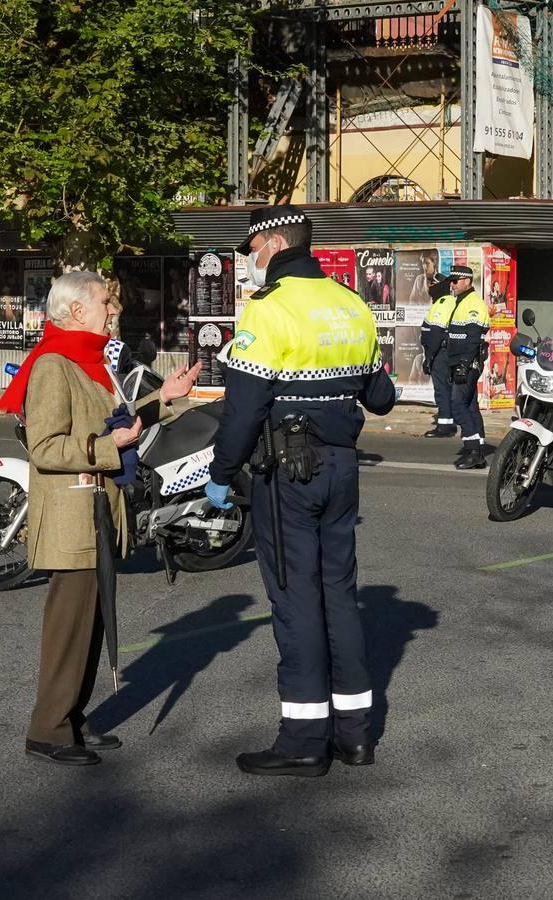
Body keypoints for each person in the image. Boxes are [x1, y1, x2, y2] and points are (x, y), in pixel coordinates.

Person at [204, 204, 396, 777]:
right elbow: (381, 397)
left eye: (252, 252)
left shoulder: (268, 308)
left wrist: (221, 470)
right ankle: (355, 736)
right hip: (342, 468)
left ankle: (304, 741)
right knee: (338, 594)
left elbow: (244, 407)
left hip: (287, 473)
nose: (250, 264)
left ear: (272, 243)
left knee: (294, 599)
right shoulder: (351, 304)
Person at [0, 271, 200, 767]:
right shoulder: (53, 364)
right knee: (70, 626)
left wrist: (163, 399)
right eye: (106, 303)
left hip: (95, 511)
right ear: (77, 311)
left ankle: (72, 716)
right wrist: (111, 447)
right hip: (71, 513)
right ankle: (48, 729)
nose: (114, 310)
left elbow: (118, 420)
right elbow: (45, 447)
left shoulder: (85, 359)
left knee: (91, 622)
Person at [446, 264, 490, 470]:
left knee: (457, 404)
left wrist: (464, 364)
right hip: (459, 362)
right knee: (470, 405)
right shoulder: (461, 301)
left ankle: (473, 450)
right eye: (451, 281)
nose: (452, 285)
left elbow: (473, 338)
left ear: (467, 281)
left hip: (467, 363)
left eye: (455, 281)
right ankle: (479, 448)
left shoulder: (474, 303)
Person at [419, 274, 458, 438]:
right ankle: (449, 421)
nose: (429, 286)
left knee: (441, 389)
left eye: (432, 283)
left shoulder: (443, 302)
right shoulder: (447, 301)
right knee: (447, 388)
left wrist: (429, 357)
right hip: (443, 351)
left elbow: (436, 332)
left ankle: (444, 426)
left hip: (440, 353)